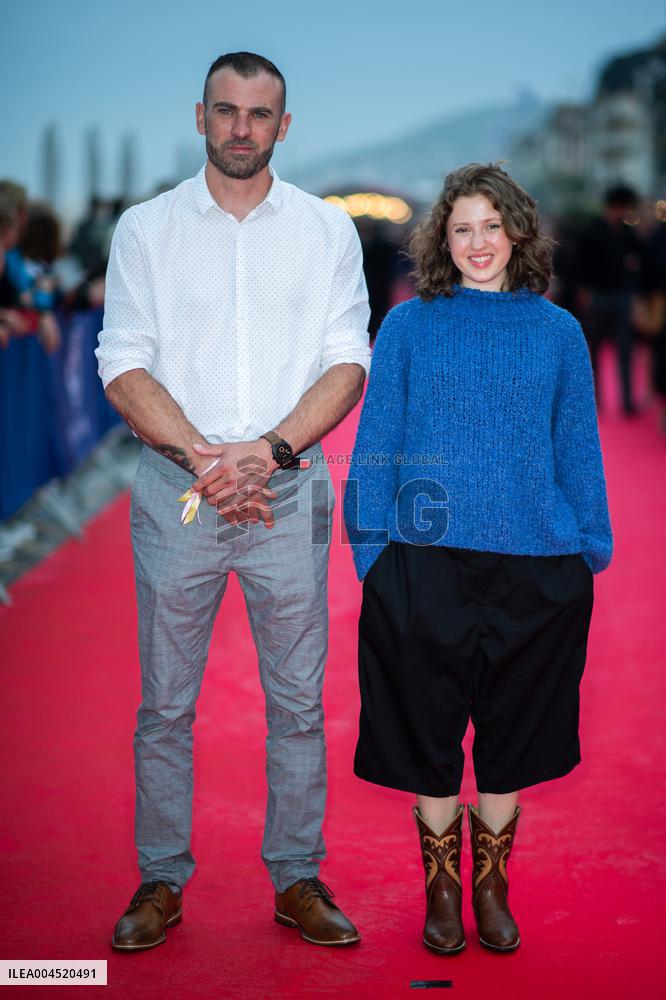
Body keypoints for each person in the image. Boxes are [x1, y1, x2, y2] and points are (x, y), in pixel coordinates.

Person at [96, 51, 371, 952]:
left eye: (260, 114)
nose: (242, 128)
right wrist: (206, 459)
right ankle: (159, 881)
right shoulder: (145, 228)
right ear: (202, 117)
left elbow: (348, 359)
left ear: (284, 126)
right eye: (226, 111)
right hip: (178, 494)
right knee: (164, 706)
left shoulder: (328, 231)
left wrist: (269, 452)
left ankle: (297, 877)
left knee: (297, 703)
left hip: (290, 493)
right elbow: (121, 358)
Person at [344, 163, 612, 955]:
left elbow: (578, 447)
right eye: (462, 229)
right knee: (428, 736)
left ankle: (491, 888)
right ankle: (442, 892)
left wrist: (590, 545)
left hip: (536, 561)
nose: (478, 242)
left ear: (518, 231)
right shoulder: (408, 326)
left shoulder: (558, 332)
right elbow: (376, 445)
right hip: (423, 564)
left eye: (491, 226)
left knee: (512, 736)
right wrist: (369, 557)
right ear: (442, 240)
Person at [577, 185, 642, 415]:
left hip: (621, 295)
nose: (622, 212)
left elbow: (637, 263)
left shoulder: (628, 234)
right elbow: (581, 264)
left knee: (625, 349)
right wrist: (584, 291)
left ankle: (627, 401)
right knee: (592, 349)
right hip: (598, 295)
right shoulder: (591, 231)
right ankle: (594, 399)